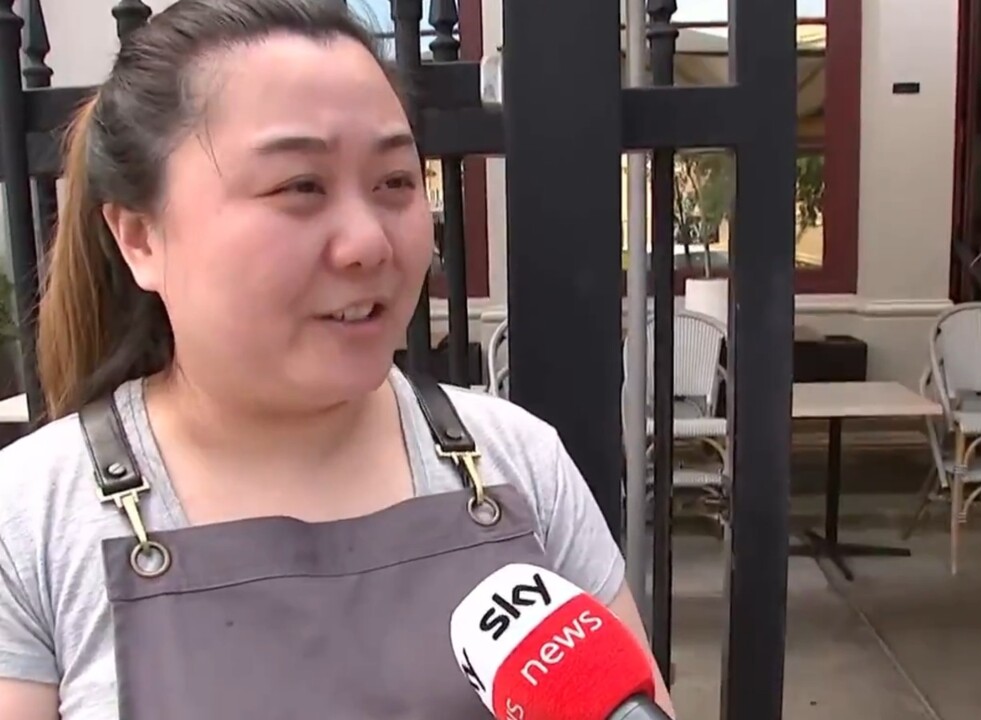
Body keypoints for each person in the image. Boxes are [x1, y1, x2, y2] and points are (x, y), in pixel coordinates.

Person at [0, 1, 674, 718]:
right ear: (140, 237)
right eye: (300, 187)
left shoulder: (518, 460)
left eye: (393, 183)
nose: (368, 244)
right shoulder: (32, 520)